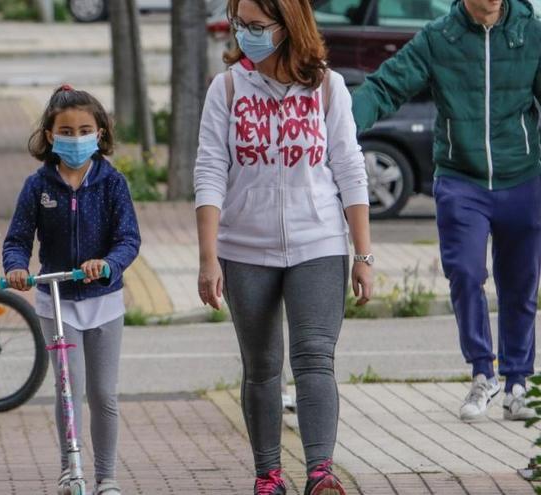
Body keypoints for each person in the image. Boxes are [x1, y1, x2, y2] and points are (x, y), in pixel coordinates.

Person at [194, 0, 373, 493]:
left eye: (255, 26)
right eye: (239, 25)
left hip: (319, 244)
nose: (244, 34)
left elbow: (350, 170)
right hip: (244, 249)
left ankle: (320, 473)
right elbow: (209, 171)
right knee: (262, 367)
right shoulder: (226, 89)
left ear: (287, 26)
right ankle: (269, 475)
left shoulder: (328, 89)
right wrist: (208, 257)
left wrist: (363, 255)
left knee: (315, 357)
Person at [351, 0, 541, 422]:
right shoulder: (439, 37)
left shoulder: (533, 34)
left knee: (521, 285)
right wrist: (338, 124)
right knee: (466, 274)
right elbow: (386, 86)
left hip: (523, 178)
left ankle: (517, 382)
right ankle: (482, 373)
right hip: (461, 180)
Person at [3, 84, 141, 495]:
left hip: (105, 301)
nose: (77, 137)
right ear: (50, 134)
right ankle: (70, 470)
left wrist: (108, 265)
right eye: (67, 130)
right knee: (69, 390)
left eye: (85, 129)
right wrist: (15, 268)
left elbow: (129, 239)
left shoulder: (112, 183)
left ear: (99, 132)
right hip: (57, 302)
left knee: (103, 394)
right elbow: (17, 239)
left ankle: (107, 477)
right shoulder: (38, 186)